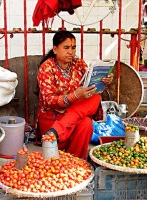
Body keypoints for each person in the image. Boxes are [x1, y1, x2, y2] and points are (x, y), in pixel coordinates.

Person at [36, 30, 114, 159]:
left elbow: (90, 85)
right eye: (66, 48)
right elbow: (48, 100)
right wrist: (75, 96)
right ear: (55, 49)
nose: (70, 52)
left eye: (73, 48)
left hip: (66, 123)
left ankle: (75, 162)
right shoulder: (47, 68)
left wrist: (104, 81)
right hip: (52, 121)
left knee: (93, 104)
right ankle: (59, 132)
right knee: (85, 120)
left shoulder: (78, 63)